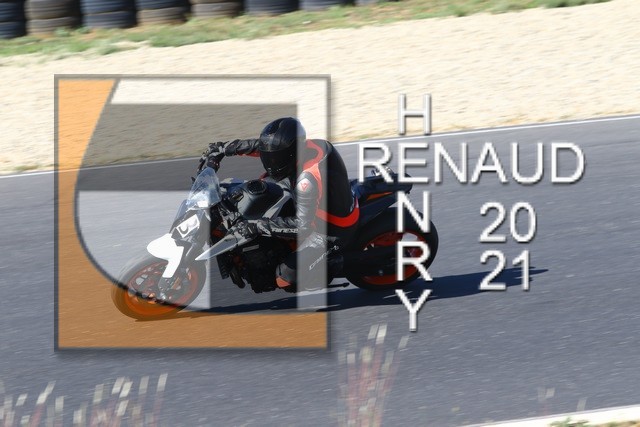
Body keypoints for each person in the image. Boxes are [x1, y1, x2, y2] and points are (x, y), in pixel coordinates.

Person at [203, 117, 359, 292]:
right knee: (264, 191)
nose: (271, 162)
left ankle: (326, 265)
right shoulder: (303, 148)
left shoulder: (306, 180)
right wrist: (223, 148)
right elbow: (264, 147)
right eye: (270, 157)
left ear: (291, 153)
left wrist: (256, 226)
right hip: (323, 200)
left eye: (276, 158)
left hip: (330, 228)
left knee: (284, 277)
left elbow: (302, 226)